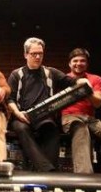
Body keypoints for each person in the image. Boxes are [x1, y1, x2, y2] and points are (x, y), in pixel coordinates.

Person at [7, 37, 84, 171]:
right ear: (25, 54)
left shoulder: (51, 72)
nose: (37, 57)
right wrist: (17, 113)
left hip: (44, 117)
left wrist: (84, 83)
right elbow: (10, 99)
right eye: (33, 54)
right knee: (22, 128)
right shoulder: (16, 74)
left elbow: (72, 82)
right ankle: (48, 170)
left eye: (40, 54)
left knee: (52, 130)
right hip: (22, 117)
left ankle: (46, 169)